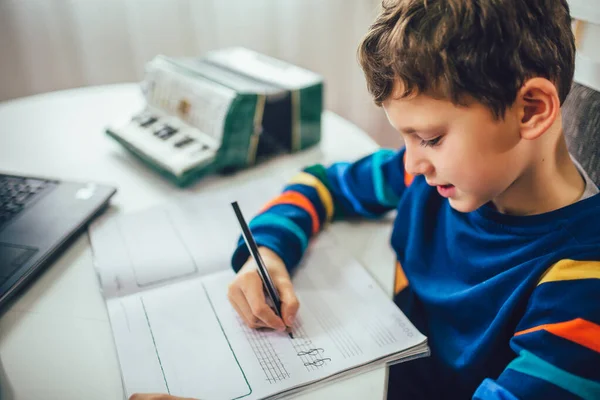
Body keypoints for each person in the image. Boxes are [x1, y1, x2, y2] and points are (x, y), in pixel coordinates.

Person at [132, 0, 600, 399]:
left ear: (531, 110)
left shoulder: (582, 288)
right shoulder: (433, 177)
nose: (412, 162)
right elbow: (324, 185)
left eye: (431, 138)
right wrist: (267, 255)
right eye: (406, 138)